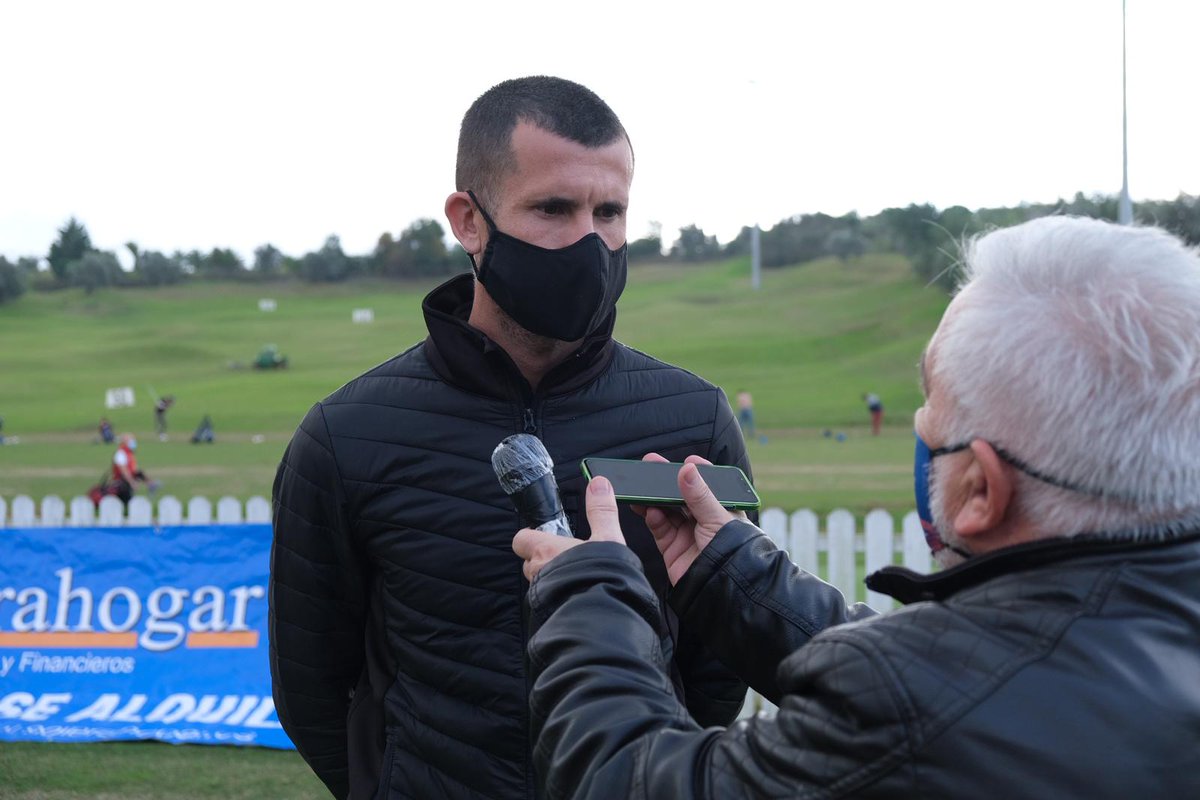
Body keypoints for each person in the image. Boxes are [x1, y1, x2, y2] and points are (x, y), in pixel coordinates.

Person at [513, 216, 1200, 799]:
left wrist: (591, 593)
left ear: (981, 492)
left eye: (932, 407)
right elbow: (975, 686)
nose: (921, 426)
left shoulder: (907, 700)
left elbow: (624, 780)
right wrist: (734, 573)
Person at [269, 75, 752, 800]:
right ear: (469, 220)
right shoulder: (347, 437)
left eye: (610, 211)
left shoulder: (693, 421)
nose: (590, 241)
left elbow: (720, 664)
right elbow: (312, 684)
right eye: (554, 209)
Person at [109, 433, 157, 505]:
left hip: (127, 481)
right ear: (126, 442)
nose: (134, 442)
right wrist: (132, 482)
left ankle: (151, 484)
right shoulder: (121, 453)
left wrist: (136, 479)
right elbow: (123, 470)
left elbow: (134, 470)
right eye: (132, 440)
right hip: (121, 483)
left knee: (139, 473)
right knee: (125, 502)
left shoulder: (129, 453)